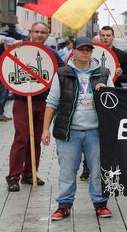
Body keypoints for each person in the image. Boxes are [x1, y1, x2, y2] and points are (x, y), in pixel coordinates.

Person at [41, 37, 114, 221]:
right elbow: (51, 103)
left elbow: (115, 101)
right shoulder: (62, 73)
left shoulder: (104, 72)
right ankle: (64, 205)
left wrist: (105, 91)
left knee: (98, 171)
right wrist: (45, 130)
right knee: (67, 170)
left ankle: (100, 204)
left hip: (96, 131)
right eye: (81, 49)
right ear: (73, 50)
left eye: (89, 49)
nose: (85, 52)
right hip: (69, 131)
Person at [6, 22, 65, 192]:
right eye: (36, 31)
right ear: (30, 33)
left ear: (47, 35)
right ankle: (13, 176)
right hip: (23, 101)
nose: (39, 35)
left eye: (43, 32)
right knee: (22, 137)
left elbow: (64, 71)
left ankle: (29, 173)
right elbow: (6, 65)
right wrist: (12, 49)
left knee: (36, 139)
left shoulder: (52, 54)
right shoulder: (20, 49)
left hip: (43, 102)